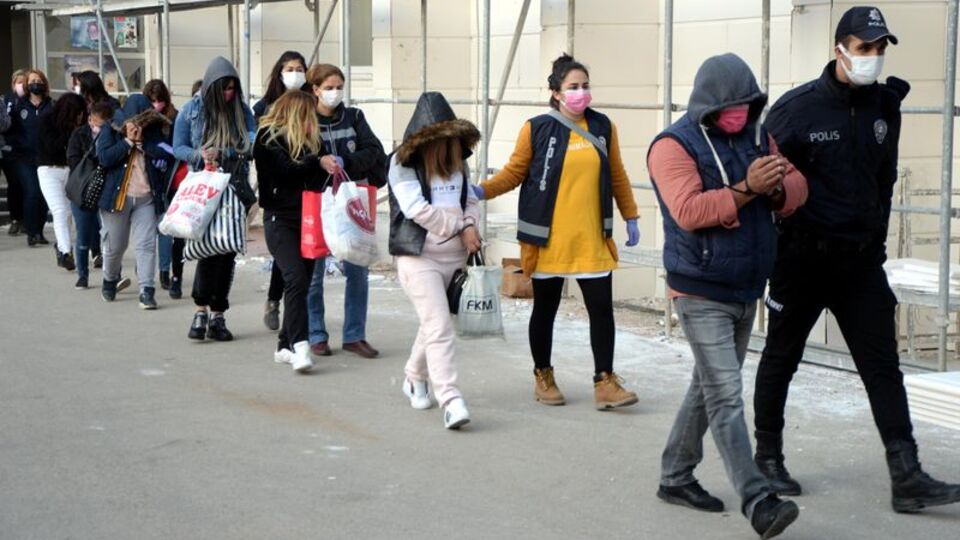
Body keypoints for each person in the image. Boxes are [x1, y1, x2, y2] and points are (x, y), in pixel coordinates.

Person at [753, 6, 960, 513]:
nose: (873, 57)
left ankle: (906, 474)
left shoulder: (885, 106)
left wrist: (877, 243)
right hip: (801, 258)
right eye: (865, 48)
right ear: (840, 48)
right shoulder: (795, 110)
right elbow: (764, 183)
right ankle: (767, 456)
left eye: (880, 49)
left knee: (882, 366)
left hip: (860, 262)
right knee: (782, 356)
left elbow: (883, 181)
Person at [649, 53, 806, 539]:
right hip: (700, 289)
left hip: (747, 284)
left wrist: (778, 191)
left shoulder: (758, 135)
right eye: (732, 106)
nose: (740, 113)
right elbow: (690, 211)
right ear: (709, 104)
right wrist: (747, 188)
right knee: (725, 397)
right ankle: (758, 500)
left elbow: (798, 187)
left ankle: (675, 475)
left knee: (708, 386)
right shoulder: (672, 145)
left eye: (748, 103)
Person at [476, 54, 640, 410]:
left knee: (601, 311)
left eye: (585, 86)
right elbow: (514, 172)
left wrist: (630, 214)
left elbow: (617, 174)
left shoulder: (603, 126)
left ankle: (605, 382)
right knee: (545, 310)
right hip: (548, 240)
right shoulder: (536, 128)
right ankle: (543, 376)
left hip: (592, 238)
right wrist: (481, 190)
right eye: (573, 87)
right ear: (555, 92)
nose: (581, 93)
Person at [388, 91, 481, 430]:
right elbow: (416, 210)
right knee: (439, 327)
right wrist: (460, 227)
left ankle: (414, 375)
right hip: (418, 257)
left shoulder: (461, 162)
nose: (452, 148)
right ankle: (451, 400)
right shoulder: (402, 164)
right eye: (445, 140)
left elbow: (470, 200)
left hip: (456, 258)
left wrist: (469, 224)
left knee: (435, 324)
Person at [305, 63, 387, 358]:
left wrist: (344, 161)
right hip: (318, 200)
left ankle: (355, 335)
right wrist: (319, 161)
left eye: (339, 87)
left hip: (353, 202)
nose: (335, 93)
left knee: (358, 268)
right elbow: (298, 155)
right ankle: (316, 333)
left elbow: (373, 151)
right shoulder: (304, 120)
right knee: (313, 273)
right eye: (328, 88)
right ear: (315, 89)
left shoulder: (354, 117)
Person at [173, 56, 257, 341]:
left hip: (233, 188)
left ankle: (218, 314)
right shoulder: (191, 110)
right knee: (206, 250)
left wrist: (227, 151)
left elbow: (252, 142)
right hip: (204, 189)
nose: (228, 94)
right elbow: (178, 147)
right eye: (223, 88)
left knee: (227, 251)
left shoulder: (242, 111)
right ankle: (200, 310)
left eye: (233, 88)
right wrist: (200, 155)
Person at [254, 90, 326, 373]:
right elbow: (285, 171)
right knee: (295, 277)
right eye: (310, 115)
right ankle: (301, 345)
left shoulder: (311, 141)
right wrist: (315, 160)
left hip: (308, 218)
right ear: (298, 113)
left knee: (303, 282)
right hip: (278, 219)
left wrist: (322, 161)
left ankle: (284, 345)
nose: (314, 120)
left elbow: (317, 177)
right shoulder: (267, 138)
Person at [96, 94, 172, 309]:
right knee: (115, 246)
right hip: (117, 198)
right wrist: (127, 142)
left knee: (147, 244)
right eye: (135, 121)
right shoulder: (111, 129)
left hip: (146, 197)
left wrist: (142, 144)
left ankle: (147, 290)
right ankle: (110, 279)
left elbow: (167, 153)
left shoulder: (154, 131)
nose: (139, 125)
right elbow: (104, 158)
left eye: (143, 121)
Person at [254, 50, 308, 332]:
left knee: (301, 266)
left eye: (300, 68)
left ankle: (298, 322)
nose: (295, 73)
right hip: (280, 200)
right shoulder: (265, 108)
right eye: (290, 68)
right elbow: (273, 162)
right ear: (279, 72)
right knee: (287, 259)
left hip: (308, 201)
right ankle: (276, 302)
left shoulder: (312, 103)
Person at [37, 93, 87, 272]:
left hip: (70, 170)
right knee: (59, 210)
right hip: (48, 169)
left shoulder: (79, 125)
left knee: (67, 213)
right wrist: (71, 132)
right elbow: (52, 146)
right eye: (77, 113)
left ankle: (62, 246)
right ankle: (66, 252)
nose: (80, 118)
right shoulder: (46, 121)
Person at [67, 102, 112, 289]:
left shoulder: (112, 135)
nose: (98, 127)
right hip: (83, 190)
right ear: (90, 118)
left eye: (103, 124)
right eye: (96, 122)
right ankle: (82, 274)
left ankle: (111, 275)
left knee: (110, 235)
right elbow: (73, 159)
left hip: (106, 190)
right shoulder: (79, 134)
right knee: (83, 233)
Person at [6, 69, 53, 246]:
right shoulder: (19, 105)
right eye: (32, 80)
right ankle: (31, 232)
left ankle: (39, 231)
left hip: (45, 157)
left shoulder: (50, 105)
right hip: (23, 157)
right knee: (32, 192)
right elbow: (8, 128)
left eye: (39, 80)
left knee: (42, 195)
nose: (36, 83)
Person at [143, 79, 180, 293]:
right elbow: (146, 144)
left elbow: (177, 145)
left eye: (160, 101)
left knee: (165, 227)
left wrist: (164, 152)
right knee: (147, 230)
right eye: (153, 101)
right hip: (148, 177)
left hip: (168, 177)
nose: (157, 105)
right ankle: (145, 270)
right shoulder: (144, 118)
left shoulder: (174, 117)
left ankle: (165, 271)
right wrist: (159, 151)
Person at [2, 69, 27, 236]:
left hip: (26, 149)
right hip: (9, 148)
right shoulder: (6, 100)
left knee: (26, 185)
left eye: (23, 82)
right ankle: (15, 219)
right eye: (18, 82)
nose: (21, 86)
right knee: (14, 185)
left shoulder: (31, 100)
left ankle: (26, 219)